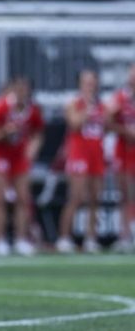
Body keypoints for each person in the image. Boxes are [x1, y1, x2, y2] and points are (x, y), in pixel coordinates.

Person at [0, 76, 44, 257]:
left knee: (23, 199)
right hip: (0, 155)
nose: (22, 93)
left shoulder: (33, 110)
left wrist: (33, 149)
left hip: (19, 157)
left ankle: (21, 239)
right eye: (19, 89)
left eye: (25, 89)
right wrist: (5, 132)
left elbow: (38, 133)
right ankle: (0, 240)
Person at [55, 69, 106, 254]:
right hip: (79, 154)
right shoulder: (73, 103)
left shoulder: (102, 105)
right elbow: (74, 123)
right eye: (87, 82)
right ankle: (64, 237)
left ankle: (91, 238)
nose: (90, 86)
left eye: (93, 82)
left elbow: (106, 126)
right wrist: (87, 109)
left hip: (96, 154)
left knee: (95, 199)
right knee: (76, 198)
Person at [105, 63, 135, 253]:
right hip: (124, 150)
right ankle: (125, 235)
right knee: (125, 193)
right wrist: (125, 131)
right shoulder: (119, 98)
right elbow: (107, 123)